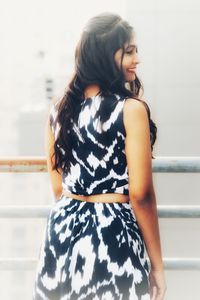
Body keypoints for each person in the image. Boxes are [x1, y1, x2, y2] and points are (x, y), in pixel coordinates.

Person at [32, 12, 166, 300]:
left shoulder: (58, 111)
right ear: (106, 56)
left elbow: (59, 188)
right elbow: (141, 194)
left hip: (63, 232)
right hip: (112, 238)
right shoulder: (130, 110)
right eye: (129, 52)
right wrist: (158, 267)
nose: (137, 59)